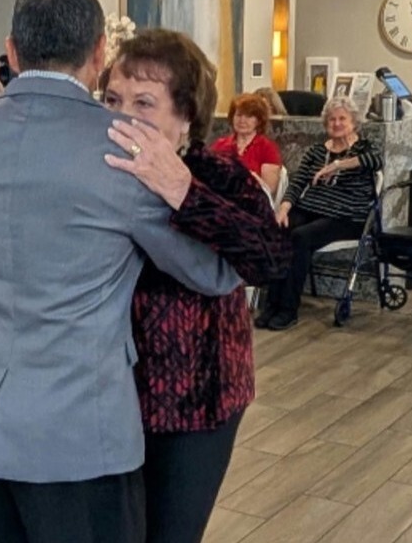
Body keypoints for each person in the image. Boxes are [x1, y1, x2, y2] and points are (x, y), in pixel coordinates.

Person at [0, 0, 240, 543]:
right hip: (82, 437)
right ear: (101, 53)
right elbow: (213, 272)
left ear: (10, 51)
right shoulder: (127, 147)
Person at [98, 30, 287, 542]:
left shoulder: (220, 175)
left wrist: (180, 189)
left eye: (143, 103)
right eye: (112, 100)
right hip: (107, 398)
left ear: (185, 117)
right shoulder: (99, 171)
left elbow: (271, 258)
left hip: (198, 404)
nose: (122, 116)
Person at [256, 97, 380, 331]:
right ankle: (271, 305)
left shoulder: (365, 148)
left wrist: (336, 165)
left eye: (342, 118)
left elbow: (375, 160)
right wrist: (283, 208)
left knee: (301, 237)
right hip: (311, 209)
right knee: (279, 230)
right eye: (332, 119)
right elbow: (298, 183)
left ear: (353, 122)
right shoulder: (316, 151)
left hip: (347, 217)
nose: (336, 123)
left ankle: (288, 309)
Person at [210, 93, 283, 198]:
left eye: (249, 116)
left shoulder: (267, 148)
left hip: (252, 201)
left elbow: (268, 189)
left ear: (258, 120)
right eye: (238, 115)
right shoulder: (220, 145)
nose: (242, 120)